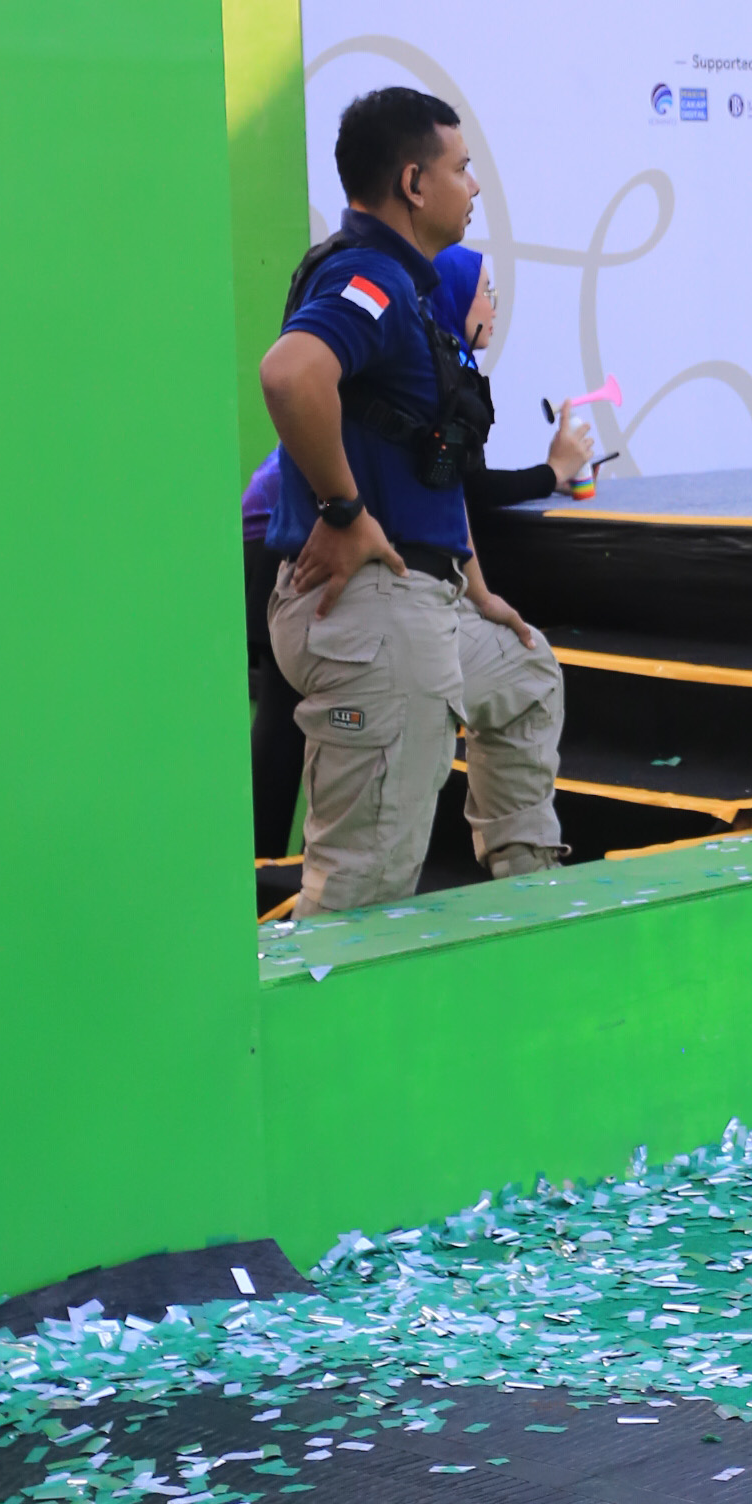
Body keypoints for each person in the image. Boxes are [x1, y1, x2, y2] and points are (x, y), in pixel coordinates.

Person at [259, 87, 569, 914]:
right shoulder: (369, 278)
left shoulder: (408, 286)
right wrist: (344, 512)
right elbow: (290, 375)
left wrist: (475, 586)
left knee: (528, 674)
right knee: (363, 892)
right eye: (462, 168)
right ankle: (326, 997)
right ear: (413, 182)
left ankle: (528, 907)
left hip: (419, 605)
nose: (475, 185)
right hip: (372, 619)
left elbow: (431, 463)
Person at [430, 242, 602, 510]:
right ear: (455, 295)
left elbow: (468, 477)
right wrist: (552, 472)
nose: (494, 309)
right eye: (485, 292)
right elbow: (471, 489)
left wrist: (553, 478)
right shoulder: (439, 377)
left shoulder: (453, 365)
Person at [241, 448, 306, 866]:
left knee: (281, 717)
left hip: (268, 531)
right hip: (292, 532)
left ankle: (260, 873)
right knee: (285, 719)